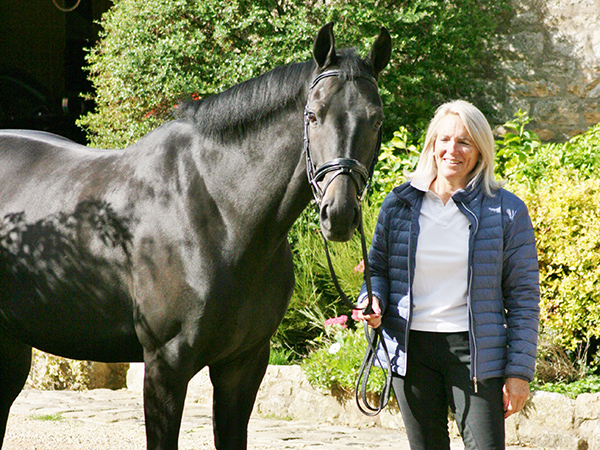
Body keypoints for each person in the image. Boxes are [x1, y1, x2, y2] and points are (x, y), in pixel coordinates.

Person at [355, 100, 540, 450]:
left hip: (476, 355)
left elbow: (523, 298)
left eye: (464, 142)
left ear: (480, 150)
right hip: (411, 353)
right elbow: (377, 269)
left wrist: (518, 374)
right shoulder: (399, 204)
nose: (451, 150)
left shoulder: (507, 210)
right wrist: (372, 299)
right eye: (444, 140)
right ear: (432, 145)